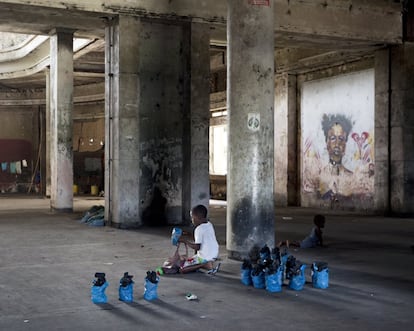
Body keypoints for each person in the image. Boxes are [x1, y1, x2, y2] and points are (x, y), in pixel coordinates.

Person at [178, 204, 220, 273]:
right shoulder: (209, 224)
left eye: (192, 218)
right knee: (191, 259)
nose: (192, 220)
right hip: (214, 254)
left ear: (198, 218)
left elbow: (197, 247)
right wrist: (189, 234)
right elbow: (199, 239)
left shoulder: (199, 229)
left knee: (182, 269)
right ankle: (208, 262)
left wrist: (185, 241)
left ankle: (204, 264)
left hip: (205, 257)